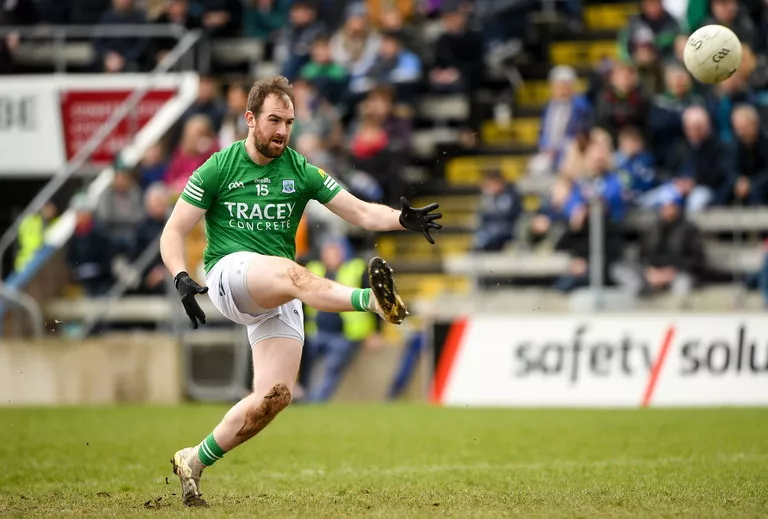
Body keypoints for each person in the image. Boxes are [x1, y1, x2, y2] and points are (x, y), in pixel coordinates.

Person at [161, 75, 442, 507]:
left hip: (276, 291)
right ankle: (372, 302)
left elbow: (361, 211)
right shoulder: (219, 166)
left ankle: (193, 460)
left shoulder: (300, 169)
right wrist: (181, 276)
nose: (282, 131)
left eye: (289, 122)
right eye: (274, 120)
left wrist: (402, 220)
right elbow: (174, 230)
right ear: (250, 118)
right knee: (293, 272)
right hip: (229, 275)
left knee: (273, 398)